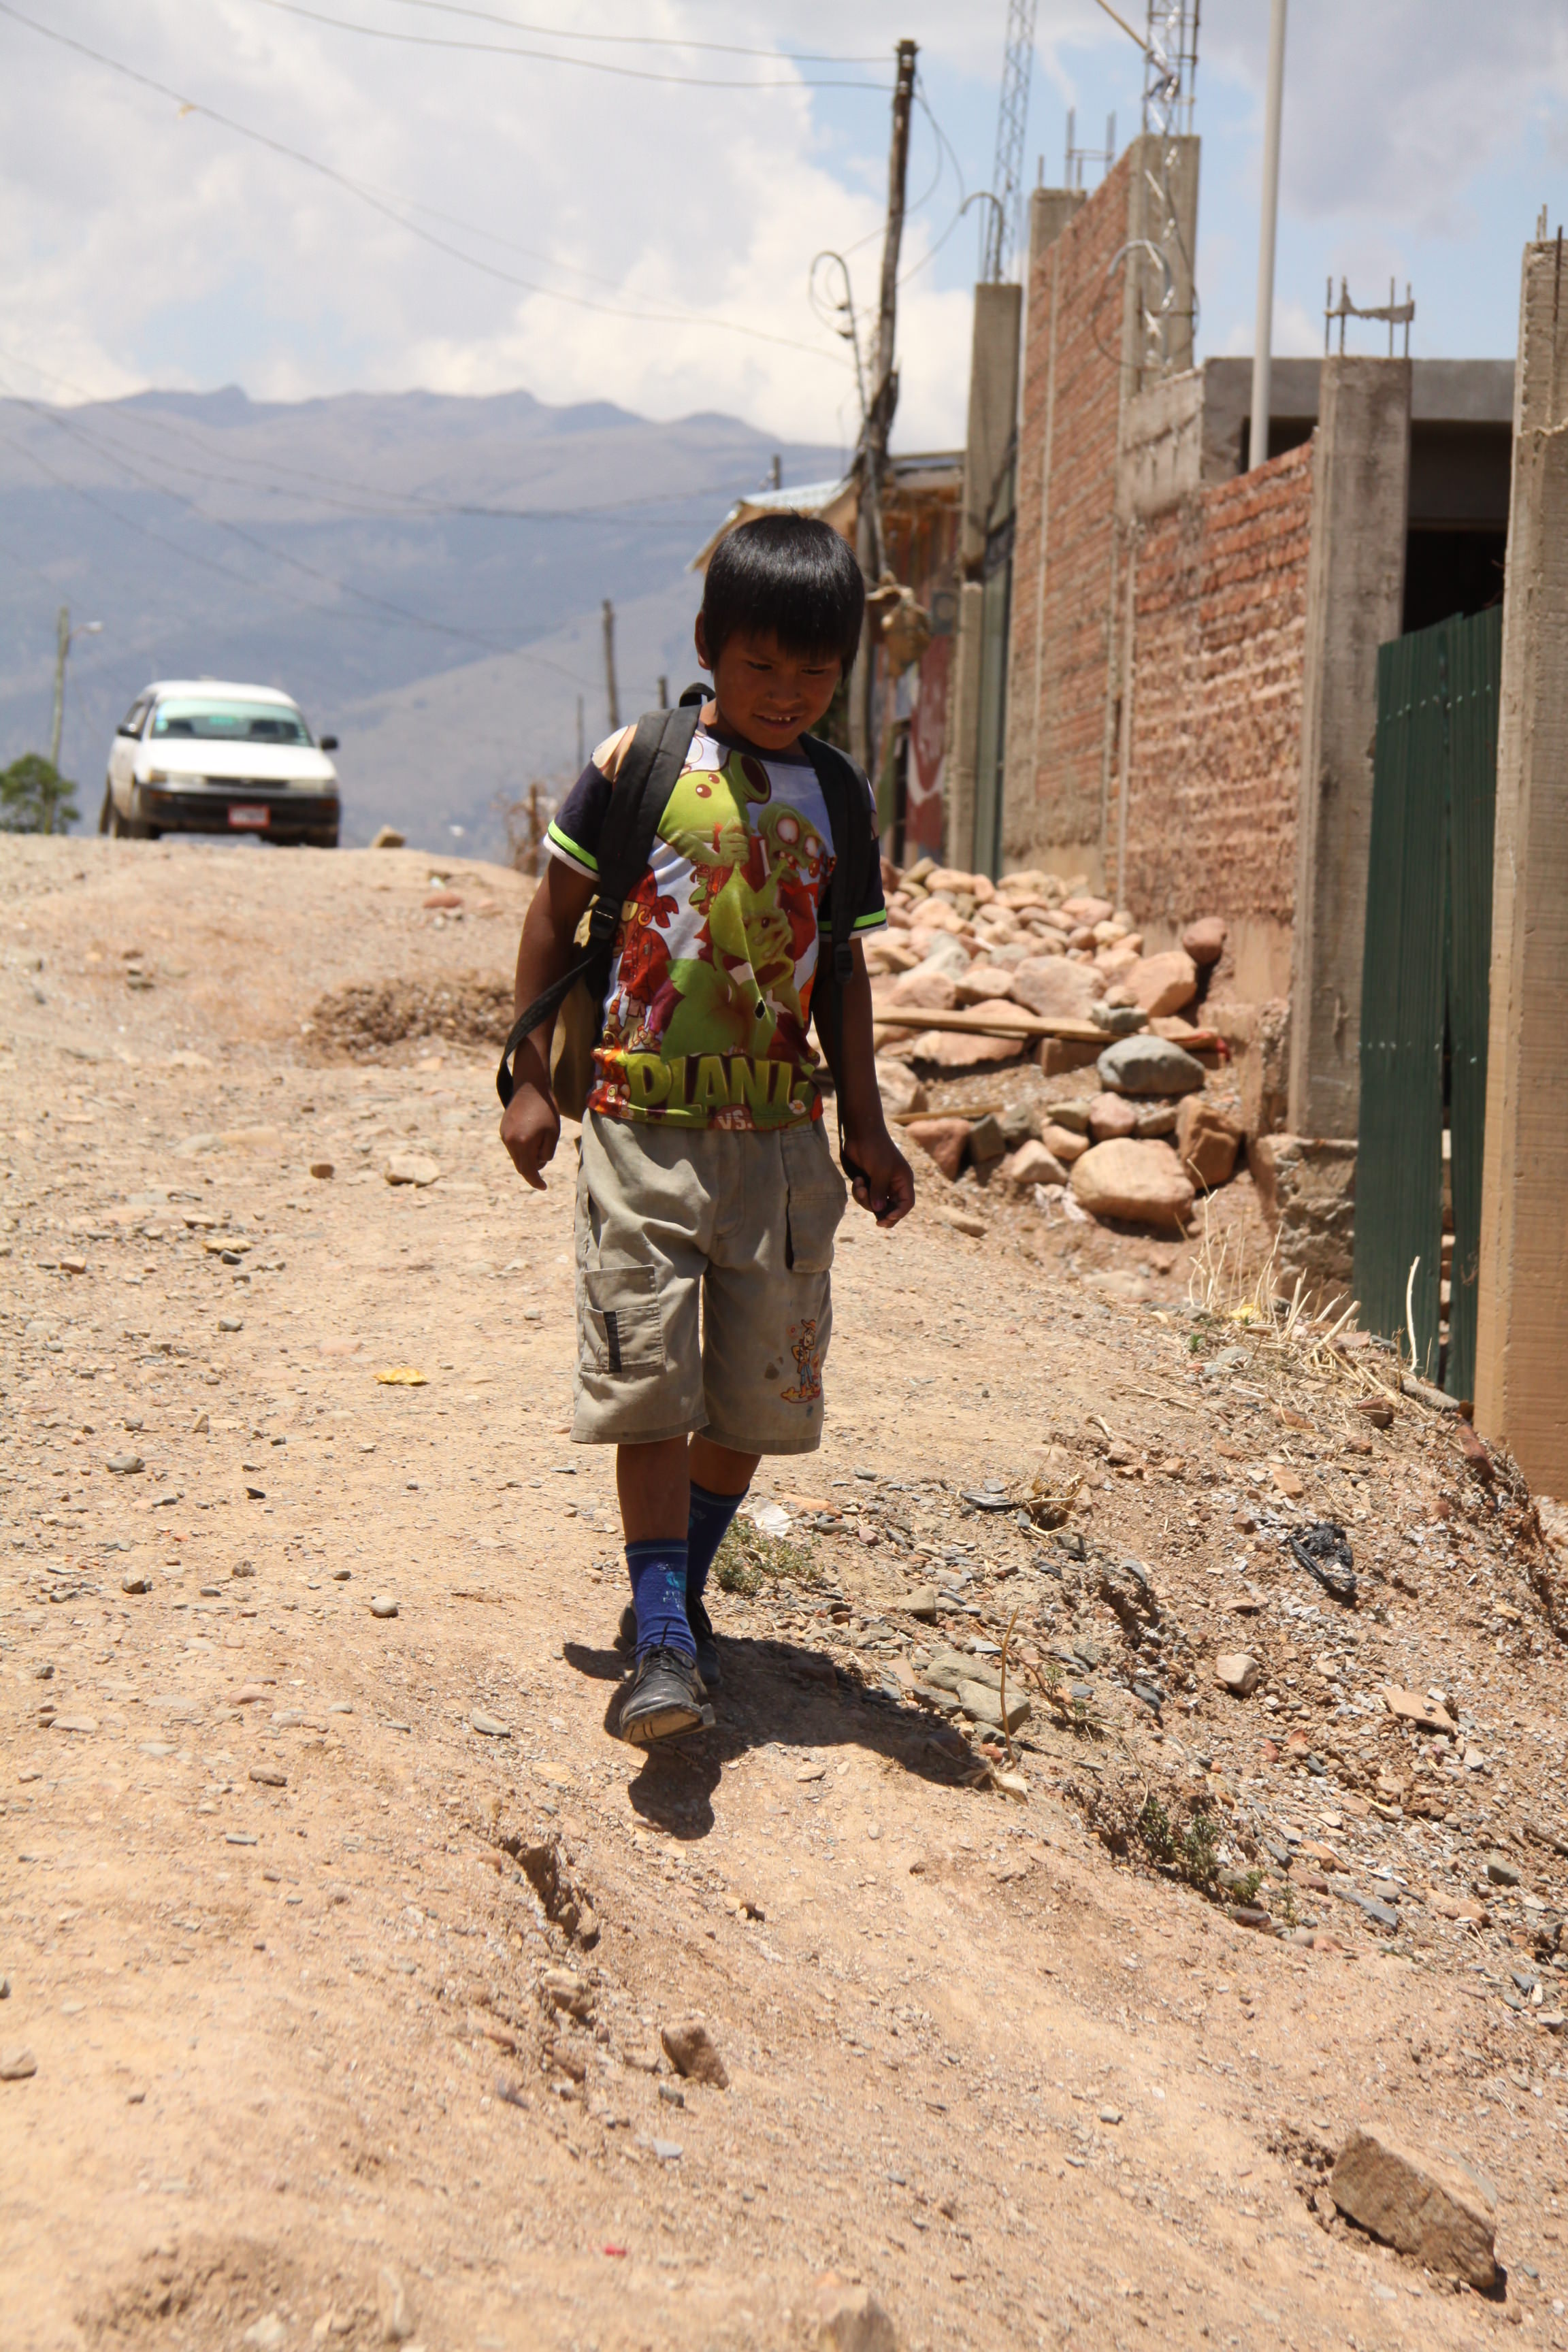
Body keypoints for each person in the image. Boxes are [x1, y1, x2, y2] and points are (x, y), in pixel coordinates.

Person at [500, 514, 915, 1744]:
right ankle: (667, 1636)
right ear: (707, 649)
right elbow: (552, 916)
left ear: (843, 672)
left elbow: (842, 969)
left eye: (814, 672)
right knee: (651, 1388)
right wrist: (531, 1077)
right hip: (640, 1124)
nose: (786, 693)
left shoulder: (839, 793)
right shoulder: (639, 762)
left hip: (782, 1144)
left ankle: (674, 1588)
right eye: (760, 667)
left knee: (753, 1407)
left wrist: (869, 1129)